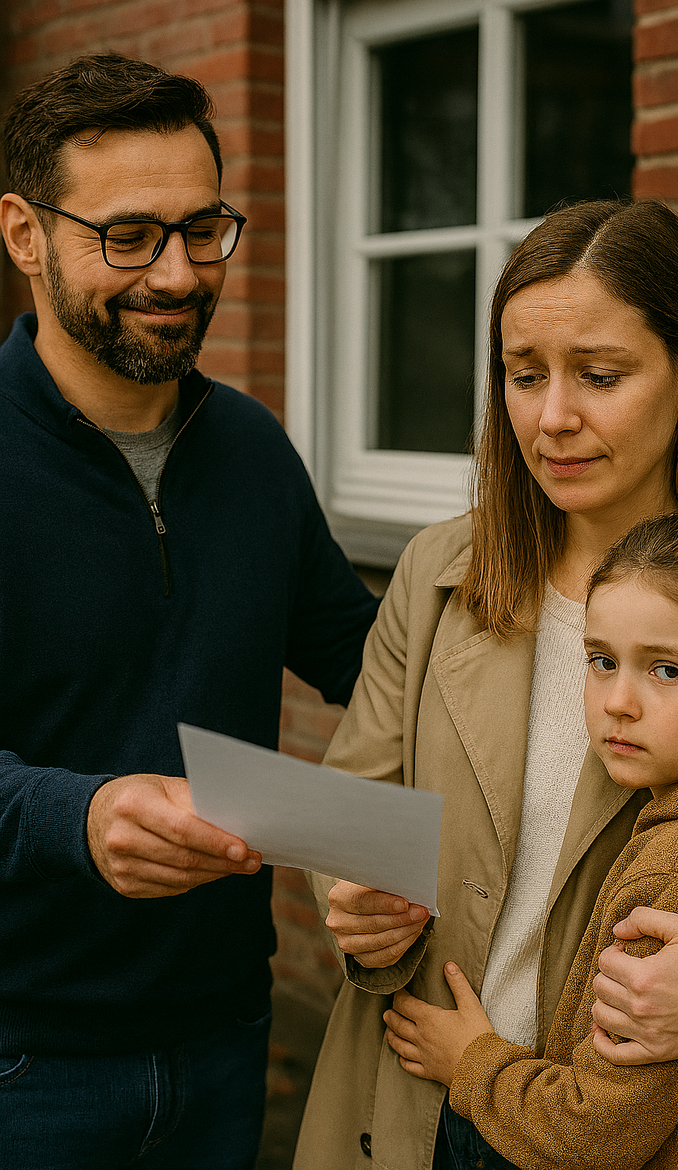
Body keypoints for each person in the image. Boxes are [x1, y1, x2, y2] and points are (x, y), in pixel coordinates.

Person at [293, 199, 678, 1170]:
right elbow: (352, 802)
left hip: (621, 1129)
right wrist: (352, 902)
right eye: (524, 376)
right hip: (408, 1091)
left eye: (599, 376)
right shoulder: (439, 575)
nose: (553, 417)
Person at [0, 53, 378, 1169]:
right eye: (129, 236)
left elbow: (368, 662)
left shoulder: (254, 448)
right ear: (24, 233)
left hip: (228, 1037)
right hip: (24, 1061)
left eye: (202, 228)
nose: (176, 275)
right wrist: (74, 815)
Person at [384, 511, 678, 1168]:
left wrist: (470, 1063)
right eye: (602, 660)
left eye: (668, 671)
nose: (618, 700)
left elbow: (591, 1133)